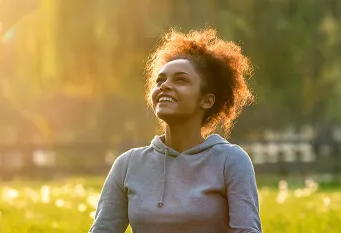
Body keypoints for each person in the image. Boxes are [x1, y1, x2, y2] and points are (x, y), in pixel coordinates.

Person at [89, 28, 262, 233]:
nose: (164, 86)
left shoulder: (230, 160)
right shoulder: (128, 165)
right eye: (160, 81)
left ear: (207, 100)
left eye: (181, 80)